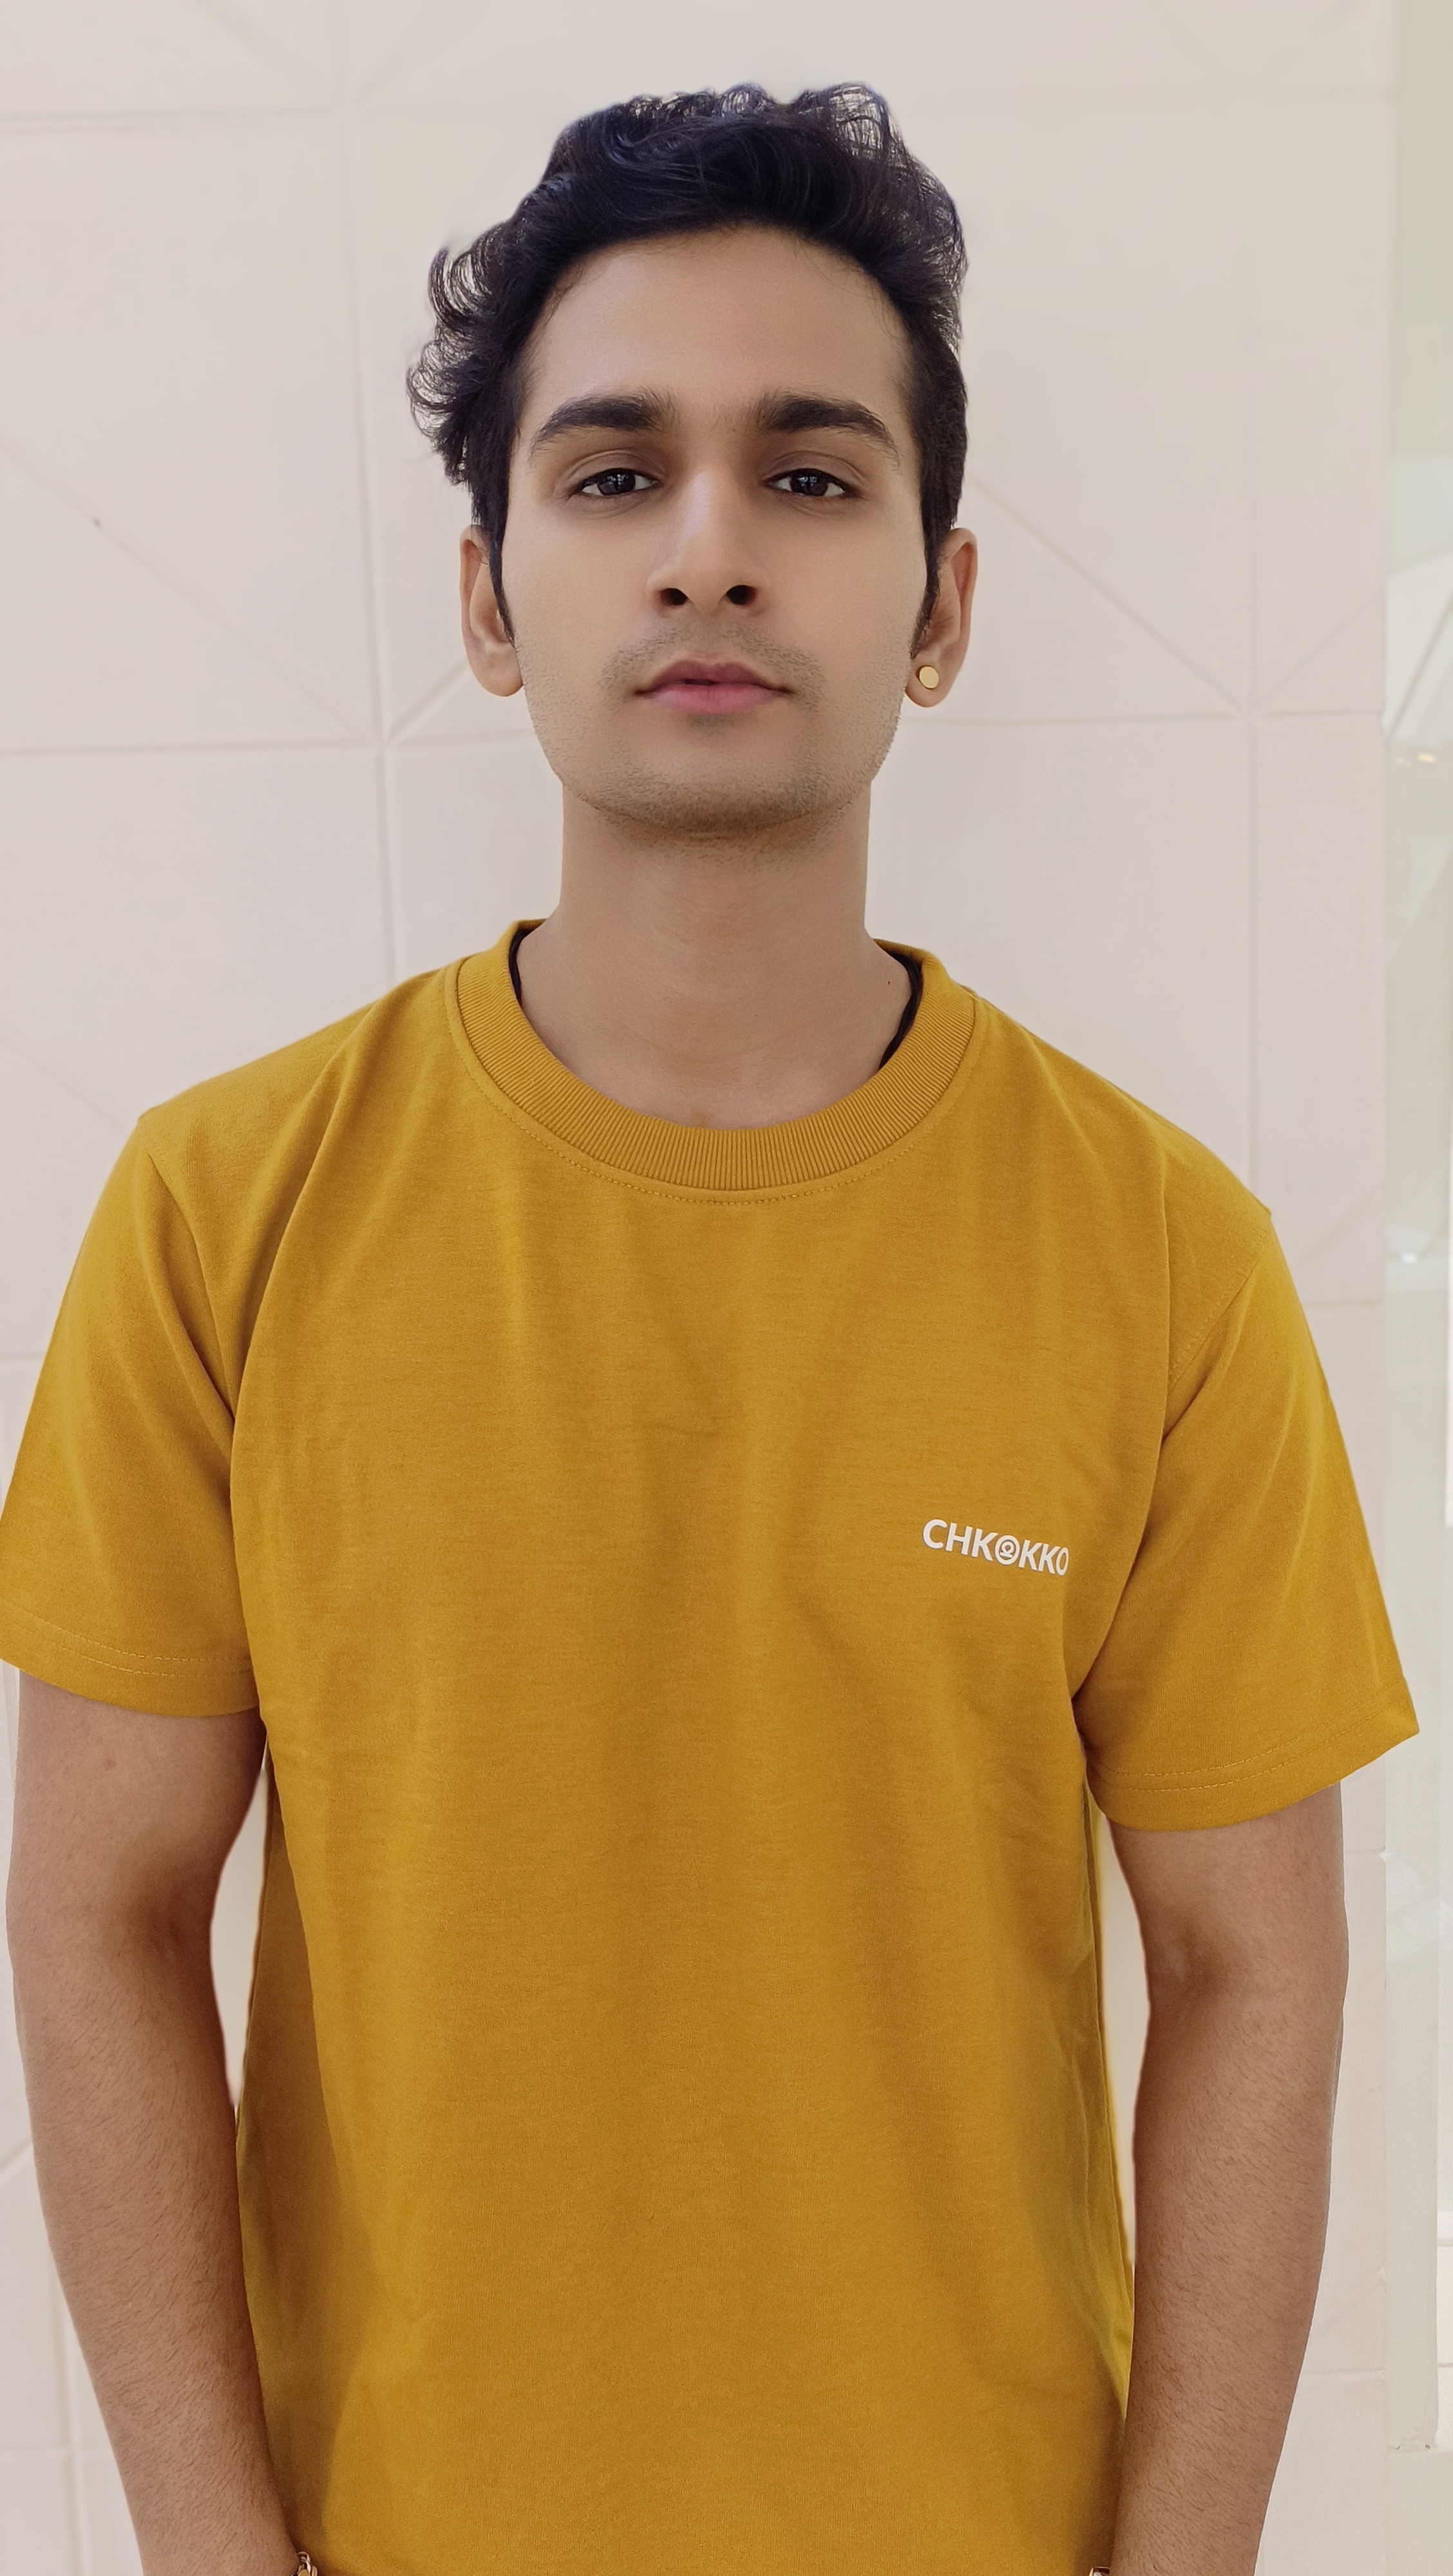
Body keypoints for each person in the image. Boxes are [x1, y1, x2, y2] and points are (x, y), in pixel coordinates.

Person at [0, 82, 1417, 2576]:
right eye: (616, 471)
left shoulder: (1162, 1250)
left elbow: (1252, 1970)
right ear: (487, 595)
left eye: (811, 474)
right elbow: (98, 1907)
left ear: (942, 606)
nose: (712, 548)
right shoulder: (224, 1211)